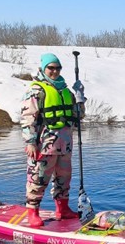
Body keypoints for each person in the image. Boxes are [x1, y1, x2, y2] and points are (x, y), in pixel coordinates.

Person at [20, 53, 86, 227]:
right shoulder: (36, 90)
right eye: (51, 68)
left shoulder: (66, 91)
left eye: (57, 68)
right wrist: (30, 142)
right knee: (38, 177)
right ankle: (33, 211)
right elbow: (28, 118)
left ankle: (62, 208)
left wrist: (80, 98)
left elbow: (79, 116)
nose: (54, 71)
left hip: (65, 144)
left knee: (64, 177)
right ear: (43, 68)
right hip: (44, 144)